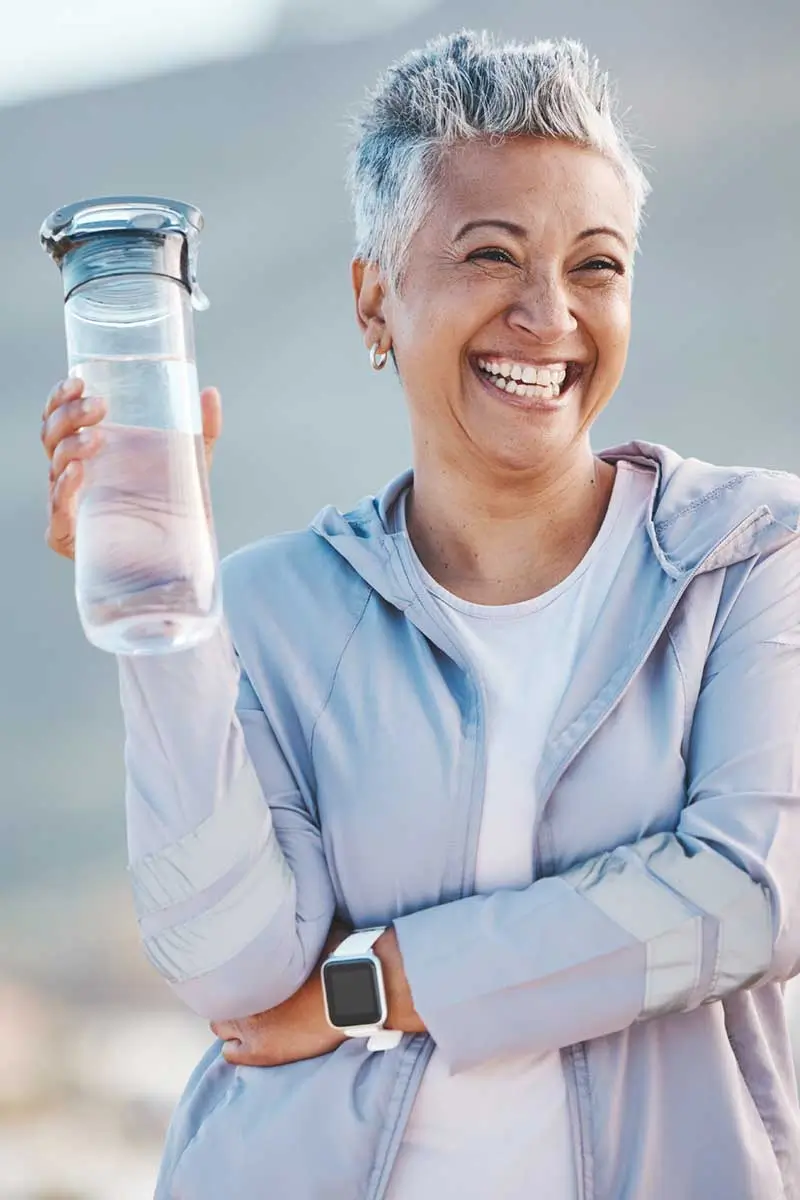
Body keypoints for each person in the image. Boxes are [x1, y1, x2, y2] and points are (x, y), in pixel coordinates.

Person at [40, 30, 800, 1200]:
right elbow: (233, 966)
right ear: (373, 300)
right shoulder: (269, 605)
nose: (547, 316)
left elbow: (747, 895)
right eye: (490, 254)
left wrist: (378, 984)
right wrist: (166, 604)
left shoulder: (745, 557)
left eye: (594, 266)